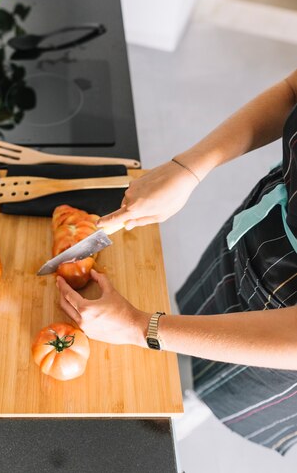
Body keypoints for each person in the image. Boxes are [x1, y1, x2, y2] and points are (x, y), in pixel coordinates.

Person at [56, 70, 297, 455]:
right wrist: (188, 169)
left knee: (226, 389)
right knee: (200, 312)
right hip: (266, 235)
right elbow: (292, 91)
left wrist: (140, 327)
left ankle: (193, 406)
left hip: (284, 342)